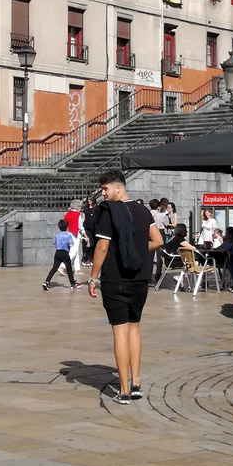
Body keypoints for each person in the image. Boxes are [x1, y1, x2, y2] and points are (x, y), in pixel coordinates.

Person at [88, 168, 163, 405]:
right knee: (134, 328)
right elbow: (158, 241)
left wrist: (92, 277)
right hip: (140, 278)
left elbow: (101, 247)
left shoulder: (108, 211)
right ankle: (137, 381)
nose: (103, 194)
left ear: (118, 188)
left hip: (115, 278)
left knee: (119, 331)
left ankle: (123, 390)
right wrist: (139, 251)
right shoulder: (143, 210)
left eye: (105, 189)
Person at [43, 219, 82, 290]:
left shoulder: (57, 235)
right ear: (67, 227)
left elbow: (54, 243)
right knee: (69, 268)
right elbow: (71, 244)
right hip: (65, 253)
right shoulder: (68, 235)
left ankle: (47, 281)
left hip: (57, 253)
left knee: (54, 268)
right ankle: (72, 283)